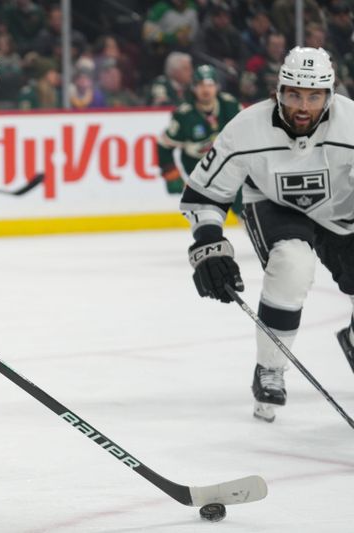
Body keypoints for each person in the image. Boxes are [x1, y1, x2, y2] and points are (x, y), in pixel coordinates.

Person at [180, 47, 354, 424]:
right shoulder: (247, 128)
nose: (303, 106)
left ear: (330, 93)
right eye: (293, 94)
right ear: (278, 91)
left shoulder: (352, 125)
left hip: (344, 211)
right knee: (292, 264)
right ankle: (270, 368)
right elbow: (204, 195)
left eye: (313, 96)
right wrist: (208, 245)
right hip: (276, 205)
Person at [157, 65, 241, 199]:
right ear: (193, 87)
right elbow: (164, 145)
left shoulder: (230, 105)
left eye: (210, 84)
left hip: (228, 164)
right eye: (200, 85)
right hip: (197, 167)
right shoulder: (184, 115)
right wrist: (170, 173)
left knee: (244, 201)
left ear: (217, 86)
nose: (206, 89)